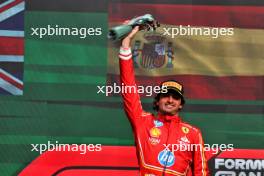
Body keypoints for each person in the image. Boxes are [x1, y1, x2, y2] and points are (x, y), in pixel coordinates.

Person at [119, 26, 209, 176]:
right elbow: (129, 90)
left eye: (175, 97)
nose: (170, 100)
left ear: (181, 104)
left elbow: (202, 172)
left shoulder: (193, 133)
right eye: (166, 96)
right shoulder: (143, 122)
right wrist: (125, 46)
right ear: (157, 101)